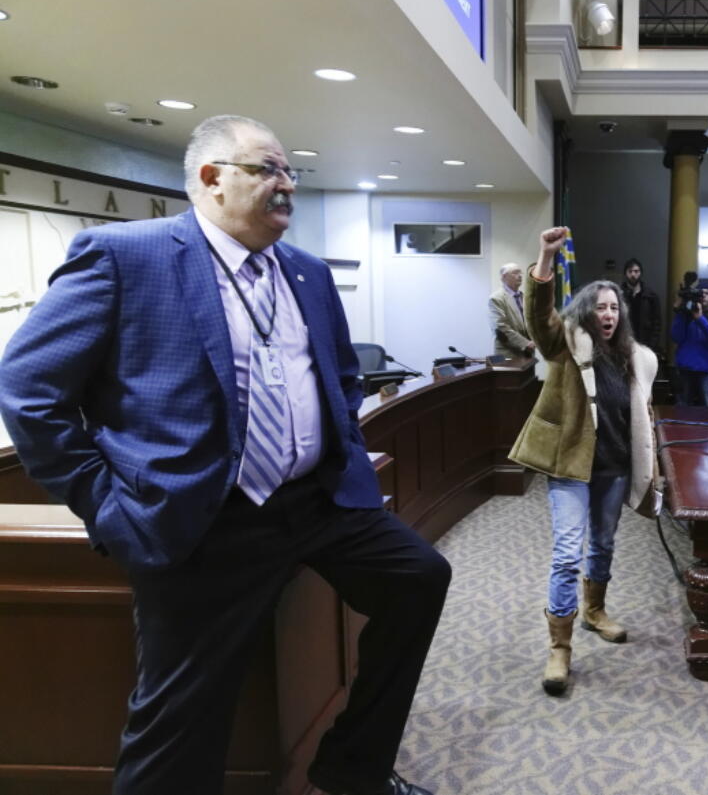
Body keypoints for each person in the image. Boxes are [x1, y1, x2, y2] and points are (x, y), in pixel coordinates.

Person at [0, 115, 450, 795]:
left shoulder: (305, 271)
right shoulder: (127, 256)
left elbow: (340, 377)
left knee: (419, 577)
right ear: (210, 178)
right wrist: (106, 504)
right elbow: (29, 389)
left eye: (289, 170)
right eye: (267, 169)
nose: (287, 184)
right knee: (178, 722)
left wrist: (340, 446)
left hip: (314, 500)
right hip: (201, 517)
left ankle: (351, 767)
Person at [509, 226, 659, 696]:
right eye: (600, 305)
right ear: (586, 310)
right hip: (571, 467)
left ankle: (595, 610)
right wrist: (545, 259)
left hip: (613, 467)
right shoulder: (566, 344)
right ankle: (560, 648)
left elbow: (640, 417)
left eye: (614, 307)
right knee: (567, 553)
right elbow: (538, 316)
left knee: (603, 546)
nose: (607, 313)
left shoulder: (635, 358)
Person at [670, 282, 708, 406]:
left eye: (707, 293)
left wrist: (700, 318)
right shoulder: (685, 315)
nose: (704, 295)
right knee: (682, 409)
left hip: (705, 370)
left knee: (707, 409)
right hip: (685, 369)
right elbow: (676, 337)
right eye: (701, 292)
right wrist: (680, 311)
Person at [488, 261, 536, 359]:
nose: (520, 276)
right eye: (515, 273)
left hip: (528, 354)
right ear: (504, 277)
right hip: (508, 354)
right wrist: (525, 343)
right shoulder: (496, 298)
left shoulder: (525, 297)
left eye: (520, 273)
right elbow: (500, 327)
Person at [621, 257, 662, 355]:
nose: (633, 274)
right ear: (625, 273)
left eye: (636, 271)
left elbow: (657, 323)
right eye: (630, 271)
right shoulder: (619, 294)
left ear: (641, 273)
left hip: (645, 343)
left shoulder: (651, 295)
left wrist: (652, 345)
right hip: (624, 342)